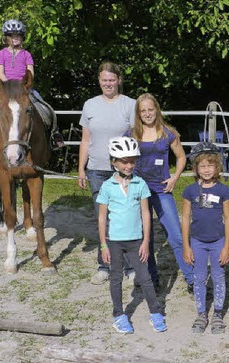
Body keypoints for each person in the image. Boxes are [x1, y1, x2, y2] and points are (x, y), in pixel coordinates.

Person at [96, 136, 166, 334]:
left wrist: (146, 241)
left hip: (136, 241)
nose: (129, 165)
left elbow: (146, 213)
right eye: (124, 161)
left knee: (145, 277)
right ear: (114, 162)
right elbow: (102, 218)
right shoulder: (107, 187)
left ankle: (155, 312)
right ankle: (119, 314)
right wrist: (103, 244)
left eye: (132, 161)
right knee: (116, 277)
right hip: (114, 241)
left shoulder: (140, 184)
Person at [125, 93, 195, 291]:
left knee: (176, 235)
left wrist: (175, 177)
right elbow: (121, 160)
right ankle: (151, 278)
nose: (147, 114)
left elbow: (181, 157)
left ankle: (191, 278)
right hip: (138, 192)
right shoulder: (130, 135)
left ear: (156, 109)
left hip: (161, 190)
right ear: (138, 113)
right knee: (145, 237)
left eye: (150, 109)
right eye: (143, 110)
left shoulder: (167, 133)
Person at [78, 62, 137, 285]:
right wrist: (81, 169)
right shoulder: (90, 105)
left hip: (124, 171)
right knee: (102, 219)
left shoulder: (130, 105)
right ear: (99, 81)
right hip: (97, 170)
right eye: (104, 80)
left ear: (119, 80)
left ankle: (130, 267)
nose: (108, 84)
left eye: (111, 80)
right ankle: (105, 265)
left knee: (127, 217)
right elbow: (86, 140)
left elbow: (136, 138)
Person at [0, 19, 64, 149]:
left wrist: (24, 85)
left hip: (23, 87)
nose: (15, 38)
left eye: (17, 35)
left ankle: (53, 134)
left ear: (22, 37)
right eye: (12, 36)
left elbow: (30, 72)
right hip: (7, 87)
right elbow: (0, 72)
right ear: (6, 38)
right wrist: (7, 86)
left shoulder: (26, 54)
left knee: (44, 106)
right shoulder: (2, 54)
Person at [181, 142, 229, 334]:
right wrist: (186, 246)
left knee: (218, 277)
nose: (206, 169)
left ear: (217, 166)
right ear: (195, 168)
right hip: (197, 242)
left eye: (210, 165)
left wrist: (226, 246)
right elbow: (186, 218)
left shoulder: (223, 191)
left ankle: (218, 314)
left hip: (218, 241)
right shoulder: (190, 191)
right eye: (202, 165)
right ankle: (201, 313)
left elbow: (228, 218)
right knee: (199, 277)